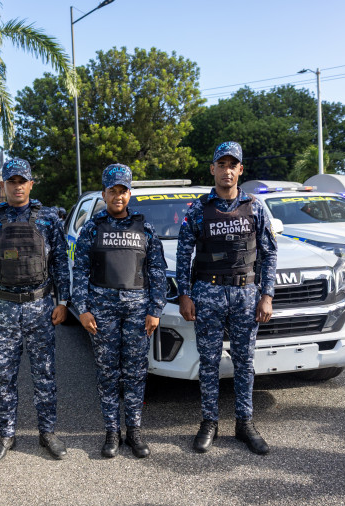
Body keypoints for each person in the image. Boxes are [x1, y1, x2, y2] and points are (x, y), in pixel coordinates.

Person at [176, 141, 277, 456]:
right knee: (208, 362)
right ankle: (209, 422)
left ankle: (245, 423)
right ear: (213, 169)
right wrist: (184, 294)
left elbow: (269, 254)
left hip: (246, 295)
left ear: (240, 170)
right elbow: (183, 254)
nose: (227, 171)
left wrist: (267, 295)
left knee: (245, 362)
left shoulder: (256, 207)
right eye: (222, 165)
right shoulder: (198, 209)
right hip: (207, 293)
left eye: (233, 165)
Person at [0, 157, 71, 465]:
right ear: (4, 185)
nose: (17, 186)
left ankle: (47, 433)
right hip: (3, 308)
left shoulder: (49, 219)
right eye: (12, 181)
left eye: (22, 181)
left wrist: (63, 302)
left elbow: (60, 263)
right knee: (4, 378)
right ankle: (6, 435)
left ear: (31, 184)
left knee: (45, 375)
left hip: (40, 307)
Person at [72, 164, 167, 459]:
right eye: (112, 190)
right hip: (102, 313)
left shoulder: (145, 228)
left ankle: (134, 431)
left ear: (129, 193)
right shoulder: (92, 228)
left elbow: (157, 271)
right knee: (107, 373)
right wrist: (83, 310)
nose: (118, 196)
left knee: (136, 373)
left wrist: (155, 309)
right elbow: (80, 271)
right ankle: (112, 431)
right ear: (104, 194)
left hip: (138, 312)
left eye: (123, 190)